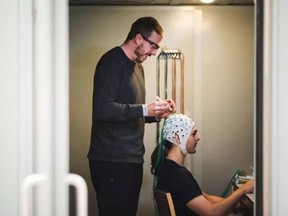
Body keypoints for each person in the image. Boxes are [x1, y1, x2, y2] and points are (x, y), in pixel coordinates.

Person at [88, 16, 176, 216]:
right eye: (153, 45)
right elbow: (102, 109)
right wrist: (144, 109)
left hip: (132, 159)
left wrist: (156, 113)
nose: (154, 52)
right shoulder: (111, 62)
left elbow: (131, 112)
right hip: (112, 161)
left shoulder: (138, 68)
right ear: (138, 38)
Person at [151, 113, 254, 216]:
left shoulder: (166, 168)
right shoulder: (178, 175)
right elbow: (212, 212)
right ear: (178, 137)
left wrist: (240, 206)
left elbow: (206, 199)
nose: (198, 137)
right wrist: (243, 189)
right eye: (193, 133)